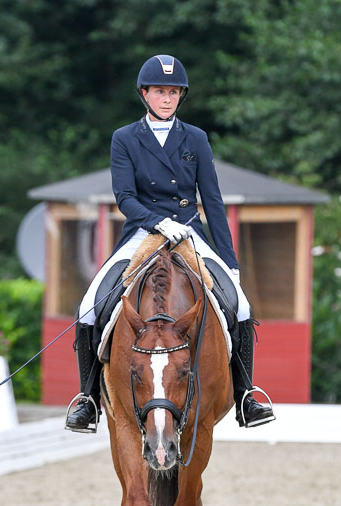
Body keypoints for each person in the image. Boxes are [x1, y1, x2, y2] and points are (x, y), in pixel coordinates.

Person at [66, 54, 274, 432]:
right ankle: (87, 400)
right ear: (145, 94)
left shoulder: (195, 138)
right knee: (88, 307)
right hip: (144, 232)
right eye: (160, 91)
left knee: (240, 305)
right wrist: (156, 220)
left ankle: (246, 397)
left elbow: (211, 200)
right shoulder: (125, 138)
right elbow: (124, 198)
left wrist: (230, 261)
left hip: (188, 231)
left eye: (174, 92)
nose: (167, 98)